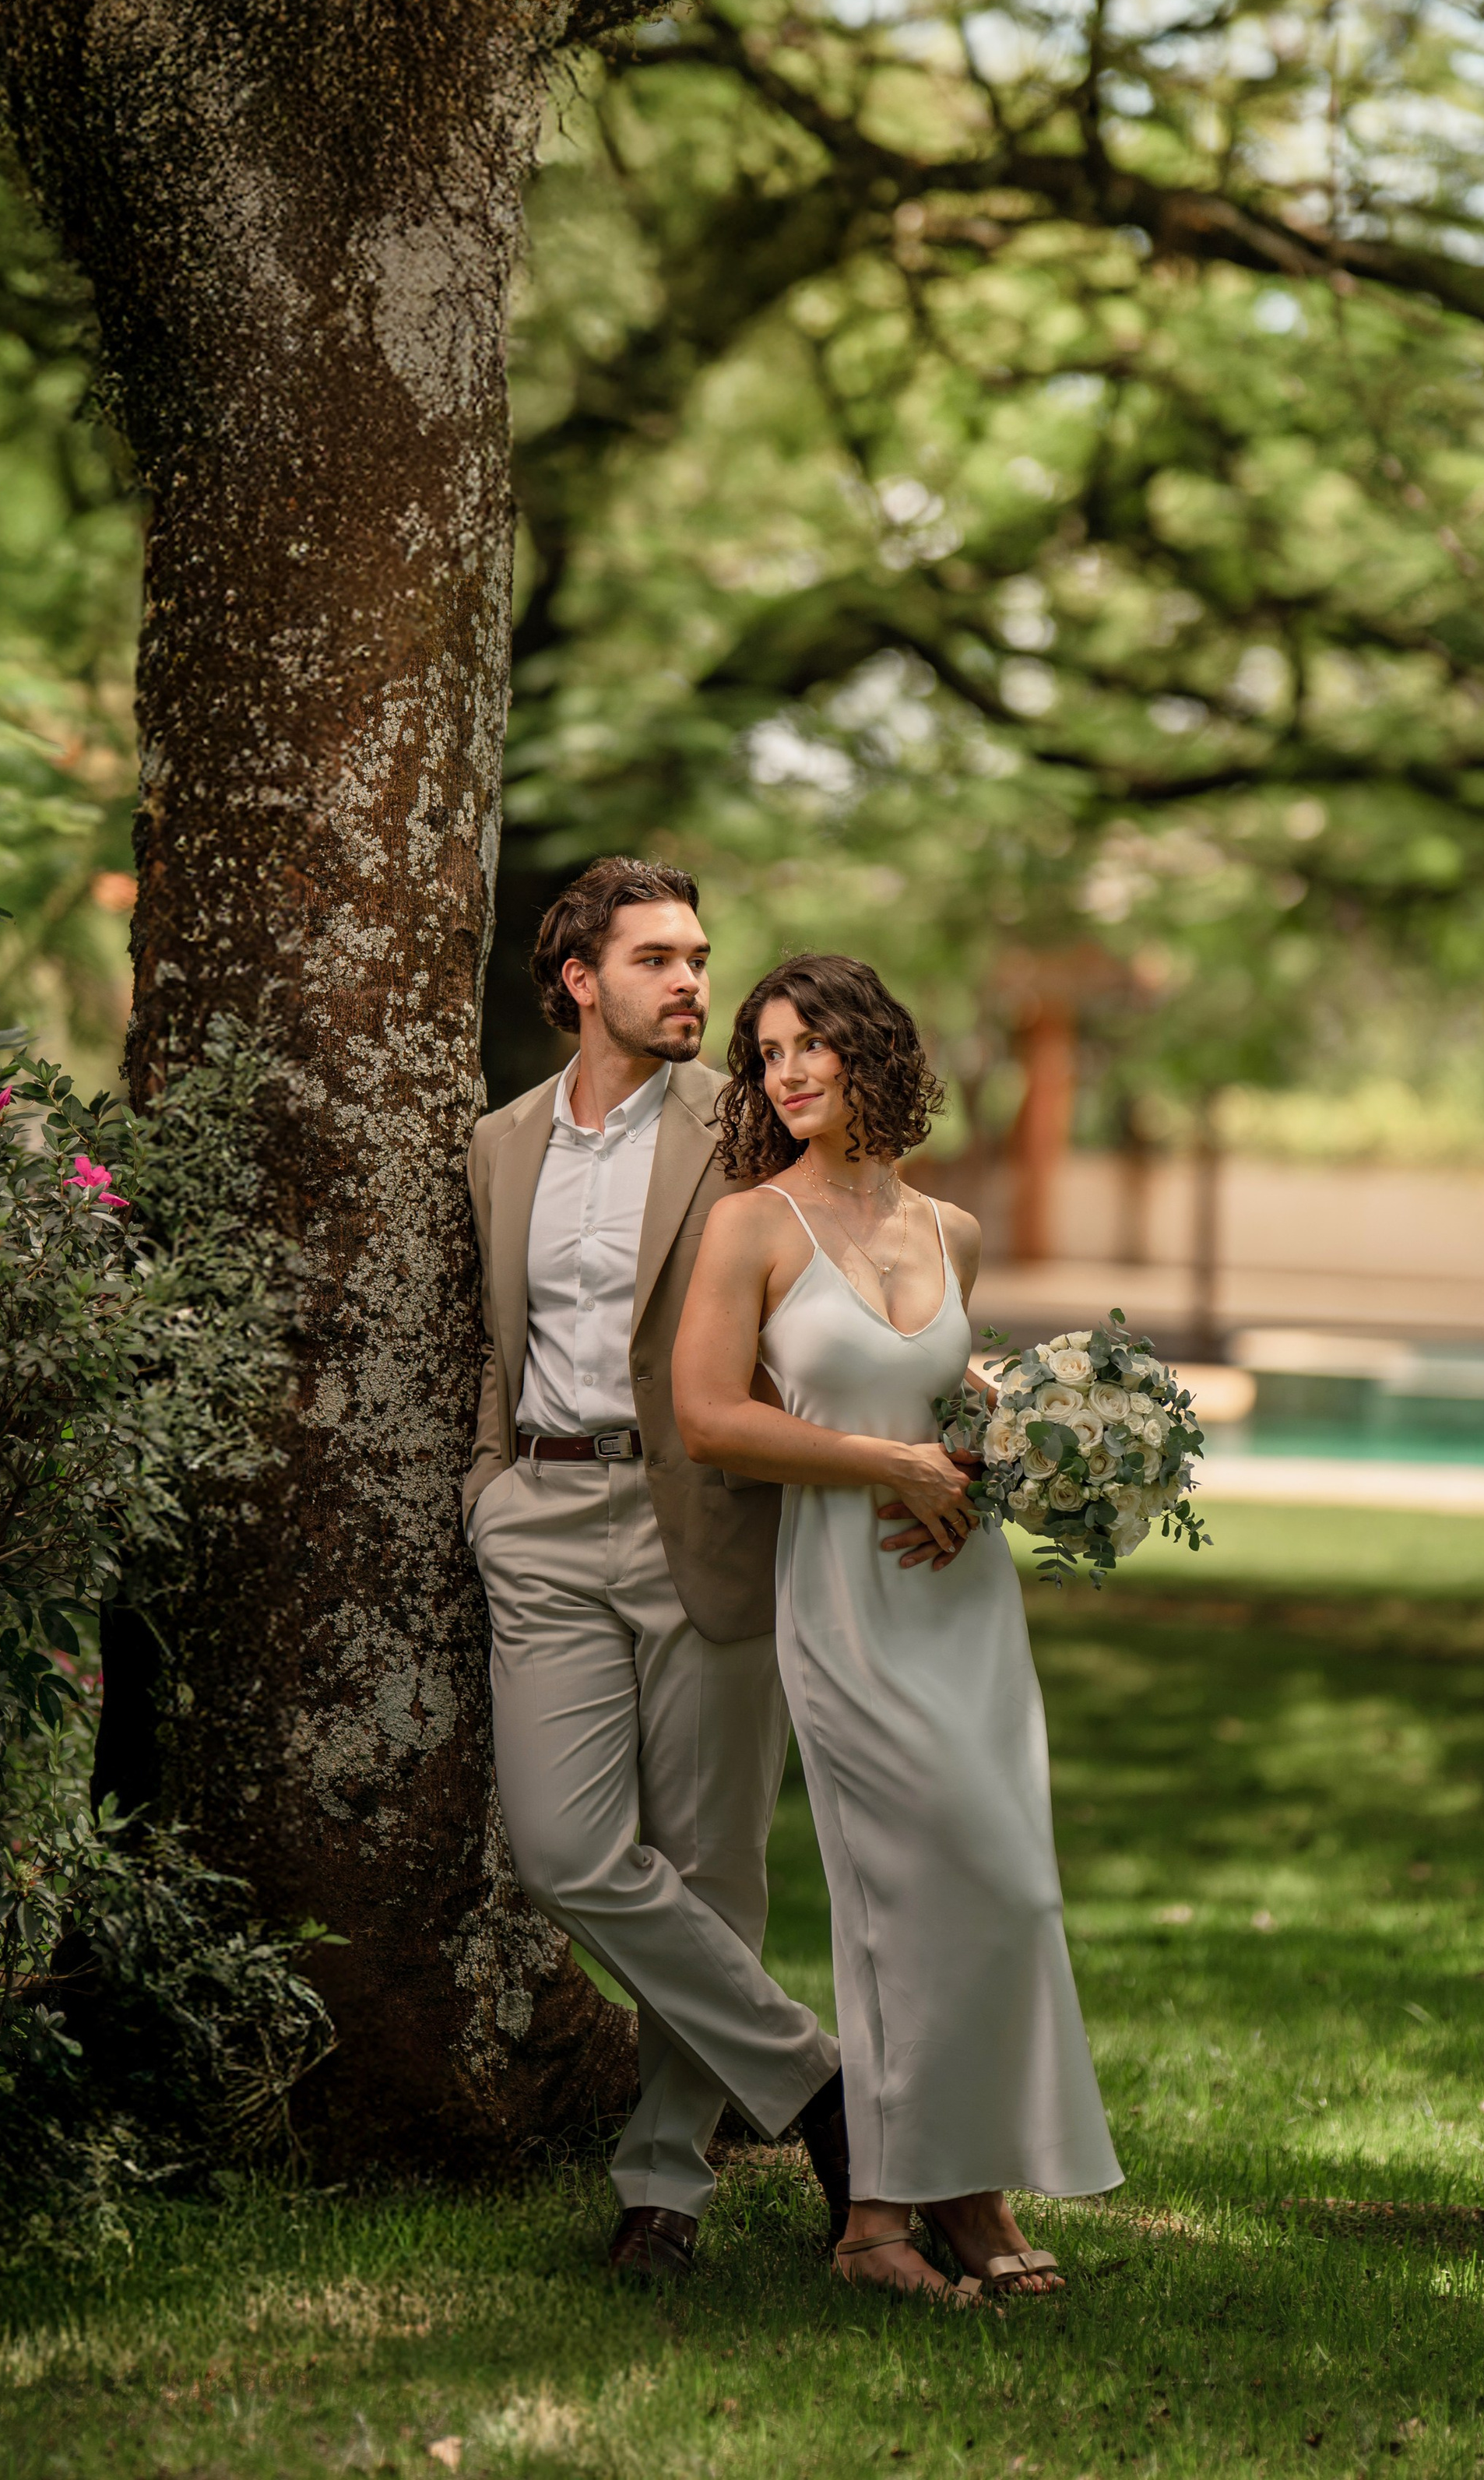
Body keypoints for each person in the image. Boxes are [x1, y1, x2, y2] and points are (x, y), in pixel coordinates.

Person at [672, 952, 1122, 2305]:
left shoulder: (952, 1231)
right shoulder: (751, 1224)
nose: (787, 1072)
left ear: (874, 1053)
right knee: (909, 1897)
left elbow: (953, 1416)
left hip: (960, 1599)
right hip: (844, 1594)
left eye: (811, 1044)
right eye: (766, 1053)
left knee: (1006, 1891)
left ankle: (928, 2197)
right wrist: (890, 1472)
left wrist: (972, 1489)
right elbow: (710, 1418)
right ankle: (907, 2216)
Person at [465, 859, 850, 2281]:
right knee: (568, 1851)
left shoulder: (748, 1122)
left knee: (709, 1863)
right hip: (545, 1514)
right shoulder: (500, 1141)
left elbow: (855, 1273)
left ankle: (663, 2190)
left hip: (709, 1513)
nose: (695, 982)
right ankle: (822, 2089)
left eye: (700, 957)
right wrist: (492, 1480)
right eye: (658, 960)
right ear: (580, 981)